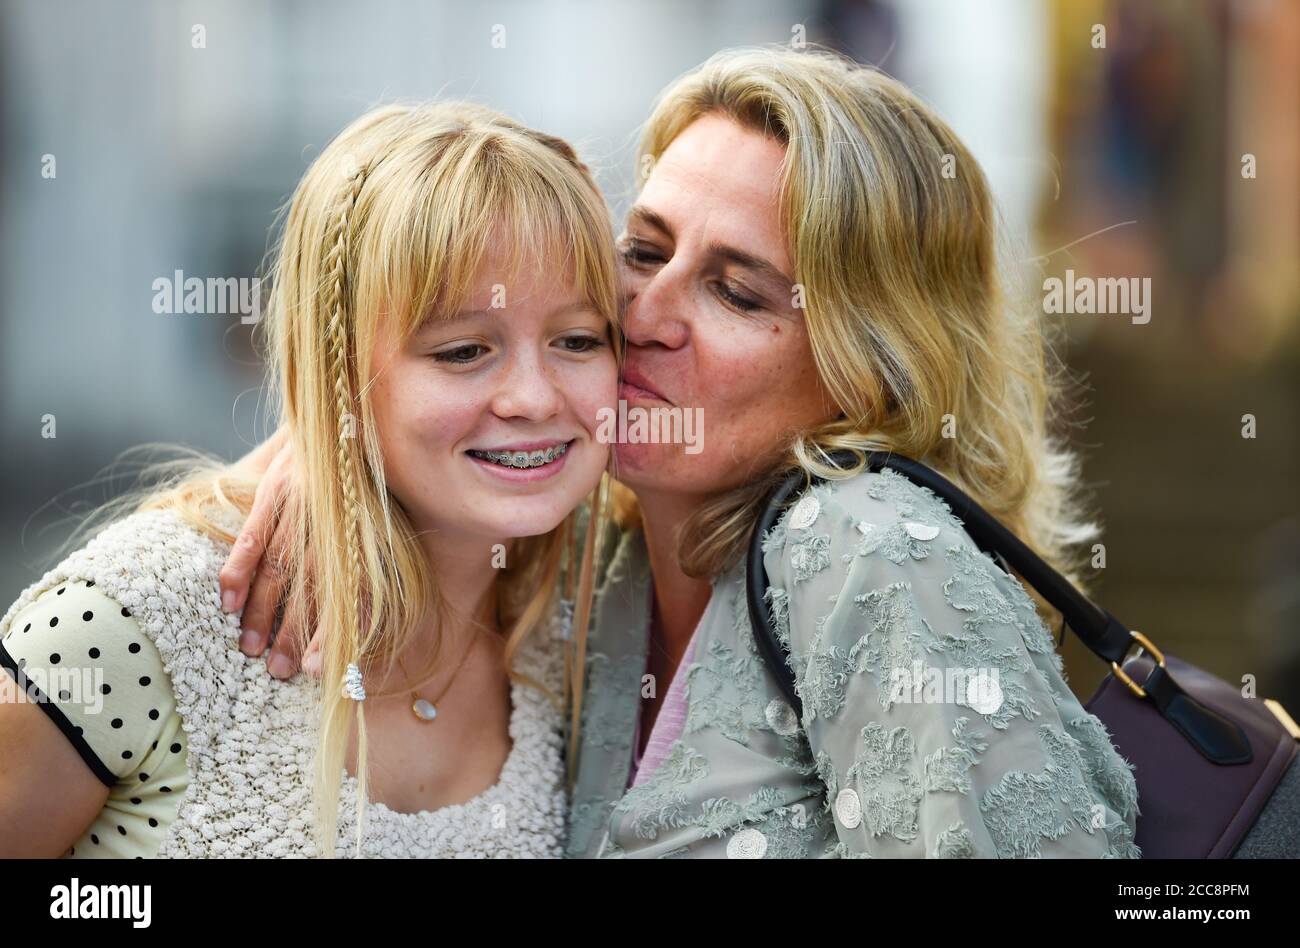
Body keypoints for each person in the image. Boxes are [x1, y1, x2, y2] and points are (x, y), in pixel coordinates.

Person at [224, 47, 1144, 858]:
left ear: (870, 370)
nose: (646, 315)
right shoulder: (596, 540)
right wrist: (334, 447)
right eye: (642, 250)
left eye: (736, 294)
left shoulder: (872, 550)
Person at [0, 100, 621, 857]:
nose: (534, 397)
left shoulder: (584, 611)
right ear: (339, 374)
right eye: (462, 351)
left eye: (579, 339)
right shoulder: (135, 617)